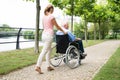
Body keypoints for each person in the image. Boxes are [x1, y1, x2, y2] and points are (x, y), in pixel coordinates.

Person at [35, 4, 66, 74]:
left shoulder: (43, 17)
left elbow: (44, 27)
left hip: (44, 35)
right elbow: (57, 26)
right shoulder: (51, 16)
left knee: (49, 50)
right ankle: (38, 66)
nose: (53, 11)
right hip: (49, 35)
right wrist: (64, 31)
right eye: (53, 9)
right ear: (51, 9)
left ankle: (48, 66)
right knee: (44, 51)